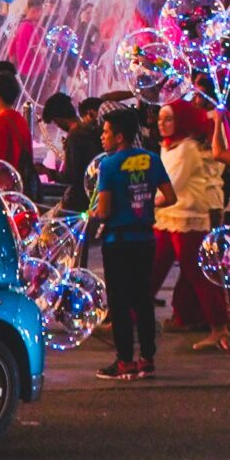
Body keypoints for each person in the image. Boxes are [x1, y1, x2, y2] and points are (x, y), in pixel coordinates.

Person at [89, 102, 170, 382]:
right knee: (143, 300)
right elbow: (170, 196)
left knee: (120, 303)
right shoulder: (151, 159)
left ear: (120, 136)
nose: (103, 136)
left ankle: (124, 361)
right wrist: (146, 203)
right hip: (145, 238)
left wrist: (94, 213)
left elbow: (105, 211)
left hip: (118, 241)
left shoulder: (109, 165)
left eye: (107, 132)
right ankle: (147, 359)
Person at [152, 100, 230, 347]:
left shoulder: (187, 148)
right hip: (167, 217)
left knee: (199, 273)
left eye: (168, 119)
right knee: (151, 269)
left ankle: (220, 328)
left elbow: (172, 184)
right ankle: (132, 316)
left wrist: (141, 201)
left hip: (188, 219)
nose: (162, 124)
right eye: (160, 118)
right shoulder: (170, 145)